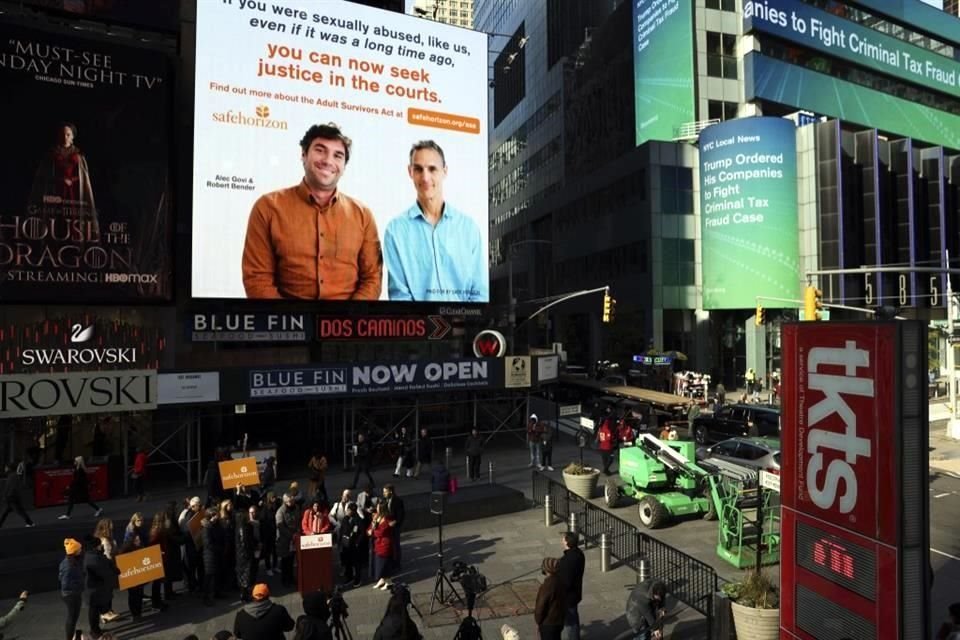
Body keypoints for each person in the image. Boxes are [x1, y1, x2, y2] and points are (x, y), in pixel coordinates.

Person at [242, 122, 382, 300]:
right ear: (303, 154)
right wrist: (293, 324)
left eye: (338, 155)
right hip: (289, 324)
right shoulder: (267, 208)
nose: (328, 161)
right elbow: (257, 279)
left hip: (347, 324)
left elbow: (372, 279)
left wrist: (347, 322)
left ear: (344, 166)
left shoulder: (363, 215)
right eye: (320, 150)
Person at [383, 140, 486, 302]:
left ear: (444, 171)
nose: (425, 177)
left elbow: (480, 292)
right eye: (418, 169)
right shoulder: (395, 231)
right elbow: (400, 297)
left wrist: (464, 324)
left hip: (465, 324)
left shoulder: (469, 228)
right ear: (410, 172)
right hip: (418, 326)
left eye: (432, 169)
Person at [84, 535, 119, 637]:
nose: (102, 546)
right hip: (95, 590)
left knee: (94, 610)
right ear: (96, 546)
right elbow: (105, 572)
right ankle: (95, 632)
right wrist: (114, 572)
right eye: (100, 544)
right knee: (94, 611)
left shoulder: (92, 555)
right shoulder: (95, 558)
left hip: (94, 590)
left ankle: (95, 629)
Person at [555, 531, 585, 640]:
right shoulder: (579, 554)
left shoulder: (567, 560)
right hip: (575, 593)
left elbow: (566, 581)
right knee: (573, 619)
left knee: (570, 622)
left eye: (563, 539)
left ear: (567, 542)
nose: (562, 540)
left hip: (568, 596)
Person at [92, 518, 120, 624]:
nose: (113, 525)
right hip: (107, 569)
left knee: (109, 591)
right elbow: (107, 556)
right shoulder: (105, 540)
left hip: (107, 568)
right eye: (111, 524)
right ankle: (105, 613)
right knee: (107, 591)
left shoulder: (106, 537)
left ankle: (108, 611)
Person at [535, 557, 567, 640]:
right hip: (559, 620)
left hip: (548, 623)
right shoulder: (561, 580)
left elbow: (540, 607)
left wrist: (538, 621)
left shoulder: (547, 586)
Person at [59, 538, 85, 640]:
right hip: (71, 594)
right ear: (74, 551)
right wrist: (78, 586)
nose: (81, 550)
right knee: (72, 617)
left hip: (73, 593)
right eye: (79, 549)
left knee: (73, 617)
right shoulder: (68, 565)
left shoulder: (72, 562)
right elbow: (65, 583)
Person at [118, 531, 147, 619]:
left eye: (138, 539)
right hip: (131, 576)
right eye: (136, 540)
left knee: (139, 594)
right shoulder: (126, 549)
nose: (138, 541)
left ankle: (139, 612)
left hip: (139, 575)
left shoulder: (140, 547)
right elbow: (121, 561)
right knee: (133, 595)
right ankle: (135, 614)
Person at [178, 496, 204, 592]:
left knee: (199, 567)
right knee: (192, 568)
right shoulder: (189, 516)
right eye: (199, 505)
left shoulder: (197, 513)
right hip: (191, 547)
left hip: (197, 545)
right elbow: (187, 532)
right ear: (193, 506)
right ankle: (192, 585)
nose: (200, 506)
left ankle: (198, 584)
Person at [200, 508, 225, 606]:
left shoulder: (217, 525)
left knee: (217, 575)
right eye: (214, 515)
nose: (217, 517)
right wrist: (219, 548)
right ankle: (206, 598)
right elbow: (208, 544)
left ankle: (216, 593)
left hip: (217, 554)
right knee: (209, 577)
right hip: (210, 556)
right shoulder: (206, 528)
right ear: (209, 516)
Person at [236, 506, 261, 602]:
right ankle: (245, 594)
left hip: (241, 555)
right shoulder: (245, 528)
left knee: (244, 575)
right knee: (246, 575)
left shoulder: (239, 527)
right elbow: (246, 542)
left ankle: (244, 593)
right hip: (245, 554)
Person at [368, 502, 395, 590]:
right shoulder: (377, 517)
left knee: (385, 564)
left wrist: (373, 530)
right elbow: (371, 527)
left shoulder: (387, 519)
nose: (377, 509)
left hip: (385, 545)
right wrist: (371, 529)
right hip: (378, 545)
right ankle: (382, 579)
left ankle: (388, 582)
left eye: (378, 507)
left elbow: (380, 532)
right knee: (379, 564)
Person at [338, 502, 364, 587]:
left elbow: (361, 533)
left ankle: (358, 579)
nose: (347, 511)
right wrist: (340, 542)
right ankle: (349, 577)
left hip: (354, 545)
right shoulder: (345, 518)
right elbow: (341, 530)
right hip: (346, 544)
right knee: (347, 562)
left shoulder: (358, 520)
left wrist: (357, 543)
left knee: (356, 564)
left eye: (349, 510)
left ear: (353, 511)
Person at [0, 462, 34, 527]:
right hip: (11, 497)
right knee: (6, 512)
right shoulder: (12, 475)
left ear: (9, 468)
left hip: (12, 497)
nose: (5, 468)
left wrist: (7, 496)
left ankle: (30, 523)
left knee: (19, 511)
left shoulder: (12, 476)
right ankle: (30, 522)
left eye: (6, 467)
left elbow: (11, 487)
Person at [275, 493, 299, 587]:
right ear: (285, 501)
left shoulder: (296, 508)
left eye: (293, 500)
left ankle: (290, 577)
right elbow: (280, 526)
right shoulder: (280, 512)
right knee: (285, 561)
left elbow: (298, 520)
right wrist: (291, 535)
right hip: (284, 540)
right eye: (290, 501)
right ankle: (285, 579)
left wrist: (297, 532)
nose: (292, 502)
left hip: (294, 539)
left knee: (291, 560)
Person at [382, 484, 405, 568]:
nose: (384, 494)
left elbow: (401, 515)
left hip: (394, 527)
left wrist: (395, 522)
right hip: (386, 526)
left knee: (396, 545)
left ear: (390, 492)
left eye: (385, 492)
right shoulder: (384, 500)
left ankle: (397, 563)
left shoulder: (398, 501)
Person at [260, 492, 279, 577]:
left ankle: (275, 566)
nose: (274, 499)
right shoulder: (265, 508)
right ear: (269, 498)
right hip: (268, 533)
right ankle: (268, 568)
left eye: (275, 497)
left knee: (275, 551)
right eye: (272, 497)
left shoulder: (276, 506)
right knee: (267, 551)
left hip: (275, 532)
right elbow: (263, 522)